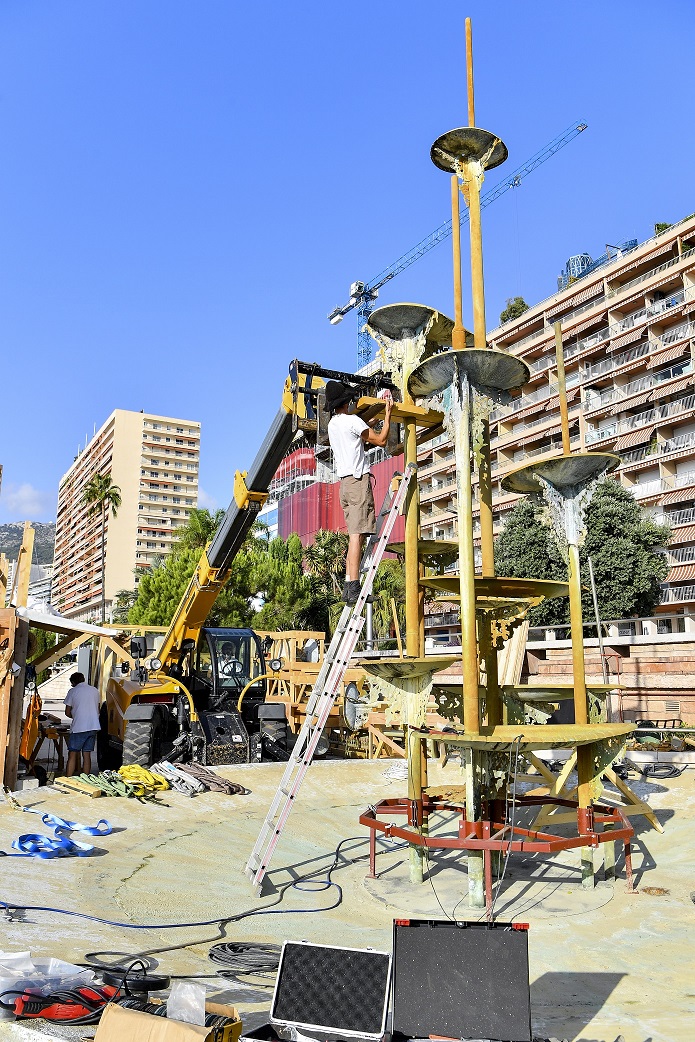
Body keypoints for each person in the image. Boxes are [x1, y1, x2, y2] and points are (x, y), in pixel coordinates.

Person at [325, 380, 393, 605]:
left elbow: (358, 430)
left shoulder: (334, 425)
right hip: (357, 482)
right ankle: (354, 588)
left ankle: (348, 586)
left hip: (345, 484)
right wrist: (389, 414)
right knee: (357, 536)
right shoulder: (353, 421)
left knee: (357, 533)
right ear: (347, 401)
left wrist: (372, 420)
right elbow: (381, 440)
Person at [64, 672, 101, 777]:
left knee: (72, 754)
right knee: (86, 754)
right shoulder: (94, 690)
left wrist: (77, 717)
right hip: (93, 726)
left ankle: (68, 779)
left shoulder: (73, 691)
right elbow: (97, 709)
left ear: (73, 682)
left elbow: (67, 712)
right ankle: (86, 779)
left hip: (79, 728)